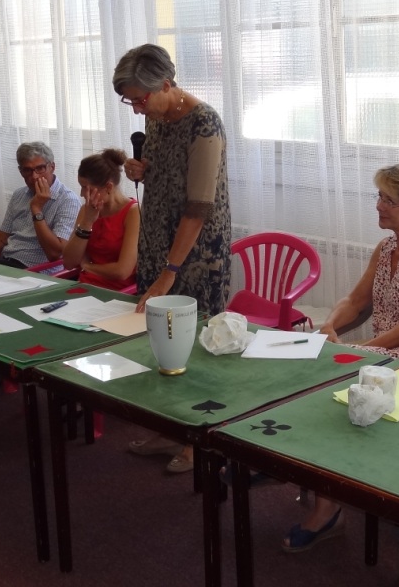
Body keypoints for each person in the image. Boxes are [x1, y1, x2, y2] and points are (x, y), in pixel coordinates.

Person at [281, 159, 399, 553]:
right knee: (314, 366)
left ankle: (327, 506)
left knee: (330, 379)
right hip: (388, 350)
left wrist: (355, 349)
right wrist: (330, 325)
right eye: (379, 196)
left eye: (389, 200)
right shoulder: (386, 246)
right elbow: (356, 300)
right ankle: (301, 470)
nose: (379, 205)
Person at [113, 43, 232, 475]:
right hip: (157, 243)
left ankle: (199, 440)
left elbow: (197, 208)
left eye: (139, 99)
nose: (136, 109)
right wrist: (139, 170)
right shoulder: (157, 115)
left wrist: (168, 274)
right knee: (160, 344)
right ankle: (169, 428)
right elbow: (161, 171)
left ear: (165, 84)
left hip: (196, 255)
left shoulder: (204, 123)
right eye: (129, 101)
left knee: (195, 348)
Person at [0, 142, 80, 268]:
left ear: (52, 167)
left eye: (40, 168)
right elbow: (0, 240)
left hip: (36, 271)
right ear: (20, 171)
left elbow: (55, 254)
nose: (34, 176)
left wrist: (36, 209)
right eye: (27, 170)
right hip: (6, 262)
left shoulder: (68, 200)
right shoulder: (19, 194)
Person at [62, 149, 139, 292]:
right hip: (84, 287)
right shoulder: (87, 210)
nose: (82, 194)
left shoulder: (133, 212)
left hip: (118, 292)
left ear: (108, 187)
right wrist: (87, 222)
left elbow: (122, 271)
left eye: (86, 188)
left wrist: (87, 266)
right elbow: (69, 262)